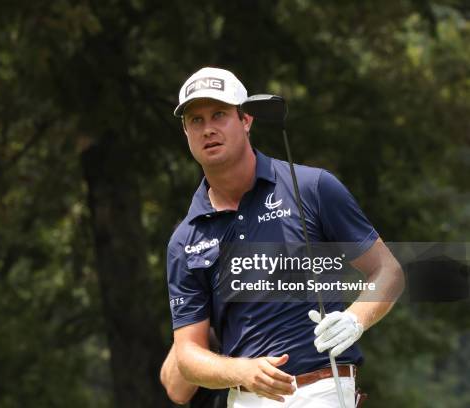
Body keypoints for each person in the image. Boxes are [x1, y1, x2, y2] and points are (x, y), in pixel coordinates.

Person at [165, 67, 404, 407]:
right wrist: (241, 372)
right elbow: (187, 355)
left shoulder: (311, 187)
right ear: (186, 131)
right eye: (196, 120)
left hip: (324, 388)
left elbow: (388, 271)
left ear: (246, 118)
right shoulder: (185, 238)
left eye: (219, 114)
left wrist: (355, 319)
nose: (208, 129)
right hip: (246, 398)